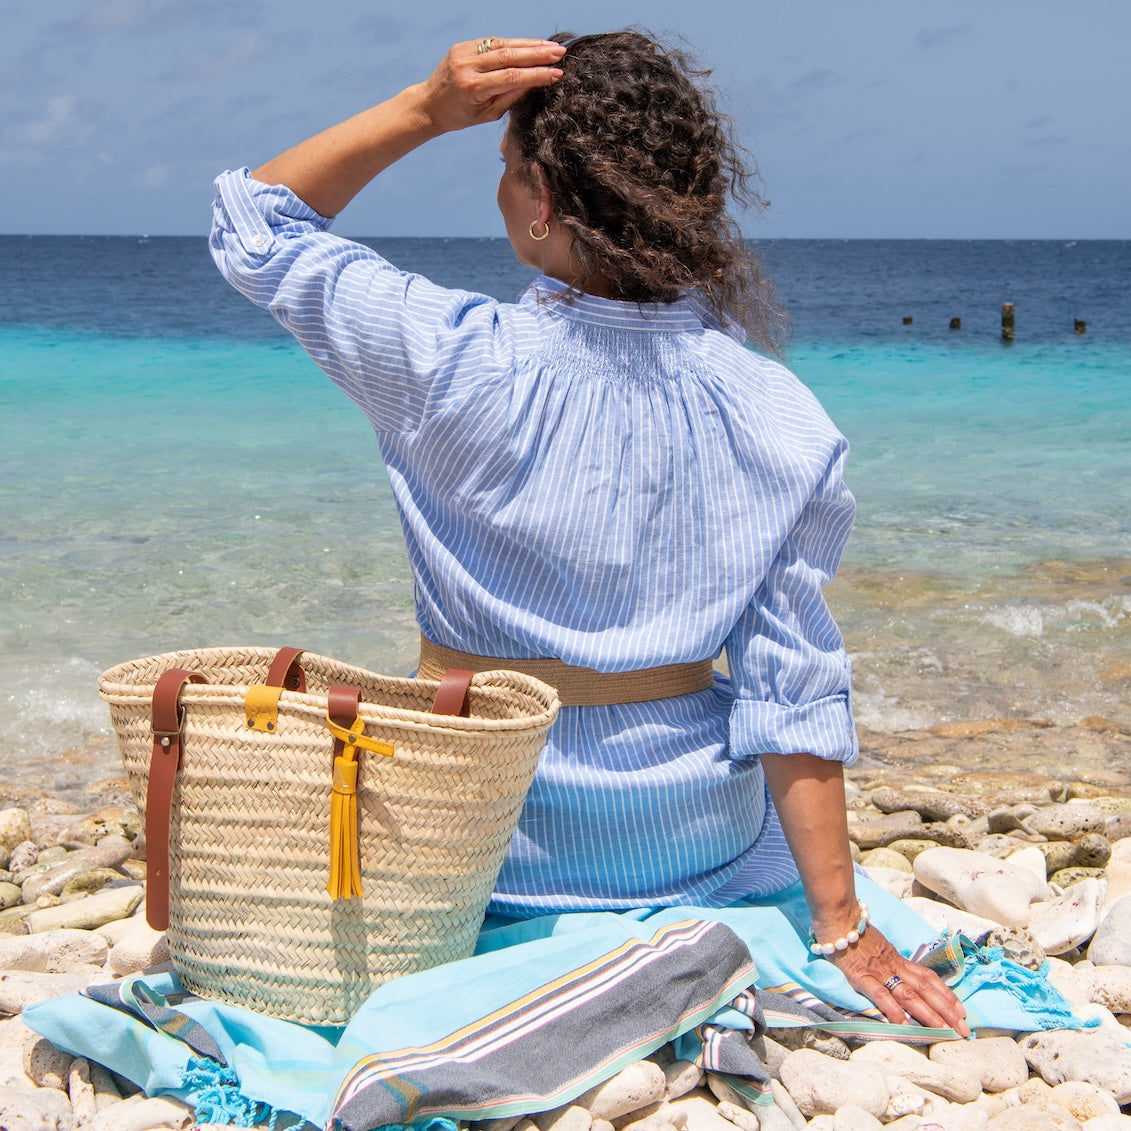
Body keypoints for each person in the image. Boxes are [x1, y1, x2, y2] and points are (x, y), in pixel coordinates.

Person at [210, 31, 968, 1036]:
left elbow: (254, 223)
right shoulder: (780, 414)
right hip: (698, 842)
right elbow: (795, 691)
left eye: (508, 167)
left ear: (543, 204)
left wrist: (425, 108)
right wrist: (840, 927)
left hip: (486, 841)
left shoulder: (444, 358)